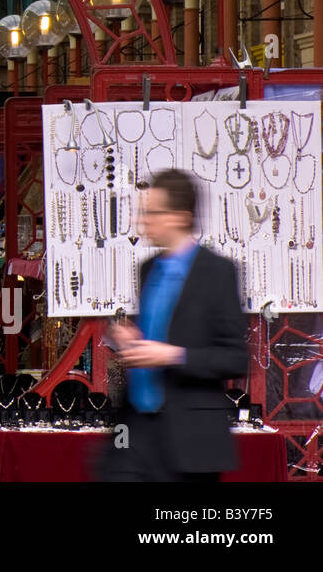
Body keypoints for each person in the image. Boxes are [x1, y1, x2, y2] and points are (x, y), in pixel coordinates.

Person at [101, 168, 246, 482]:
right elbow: (157, 335)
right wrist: (132, 339)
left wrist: (170, 355)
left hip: (190, 439)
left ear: (180, 217)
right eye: (142, 212)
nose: (143, 222)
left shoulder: (218, 272)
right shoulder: (147, 269)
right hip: (134, 430)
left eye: (152, 213)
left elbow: (235, 358)